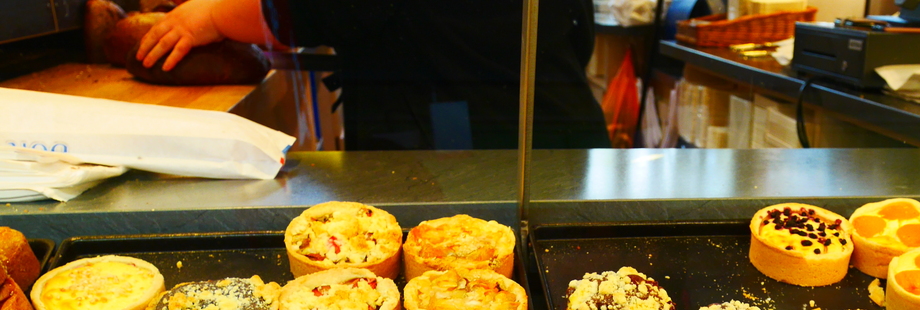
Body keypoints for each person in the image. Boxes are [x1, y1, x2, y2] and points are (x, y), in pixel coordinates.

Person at [138, 0, 611, 150]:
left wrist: (211, 16)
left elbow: (292, 11)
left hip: (465, 155)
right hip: (564, 137)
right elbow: (580, 38)